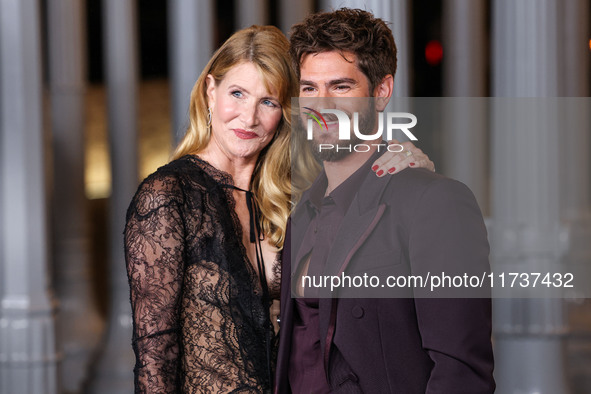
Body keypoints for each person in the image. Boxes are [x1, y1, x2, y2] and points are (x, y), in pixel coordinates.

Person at [125, 24, 432, 393]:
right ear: (210, 90)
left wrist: (405, 162)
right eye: (237, 93)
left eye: (267, 102)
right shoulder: (167, 195)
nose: (249, 117)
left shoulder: (294, 196)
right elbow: (155, 355)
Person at [276, 8, 495, 394]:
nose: (320, 106)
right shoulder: (302, 215)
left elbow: (461, 373)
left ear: (381, 91)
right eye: (309, 88)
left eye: (341, 87)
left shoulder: (434, 202)